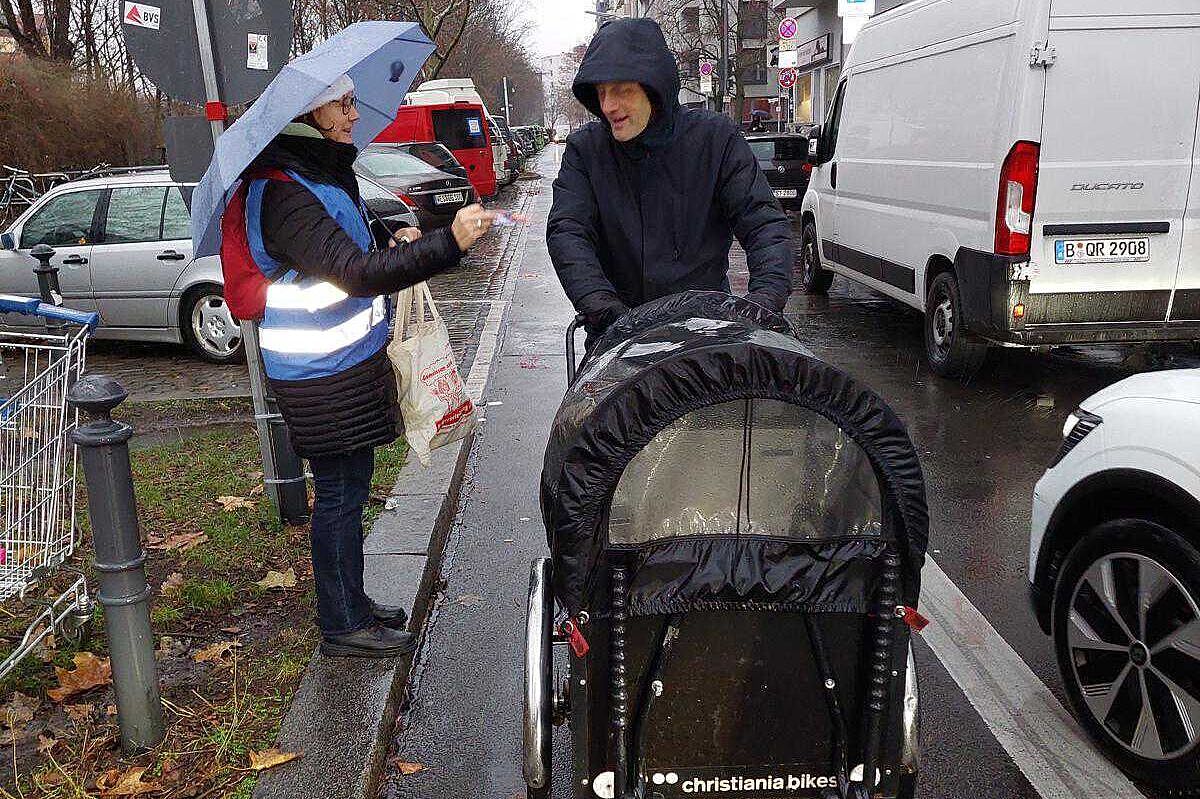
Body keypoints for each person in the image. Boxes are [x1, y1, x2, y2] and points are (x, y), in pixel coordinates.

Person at [234, 75, 500, 658]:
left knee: (351, 487)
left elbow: (348, 240)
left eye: (354, 101)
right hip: (316, 371)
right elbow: (350, 272)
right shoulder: (283, 189)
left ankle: (352, 601)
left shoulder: (321, 170)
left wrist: (396, 234)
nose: (355, 114)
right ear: (311, 111)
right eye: (344, 103)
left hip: (344, 362)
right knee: (336, 494)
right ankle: (341, 624)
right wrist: (446, 242)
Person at [547, 18, 793, 341]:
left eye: (622, 90)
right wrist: (604, 309)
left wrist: (762, 305)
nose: (608, 105)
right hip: (617, 340)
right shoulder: (586, 151)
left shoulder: (715, 141)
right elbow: (568, 231)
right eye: (601, 92)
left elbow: (764, 225)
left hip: (705, 340)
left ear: (654, 88)